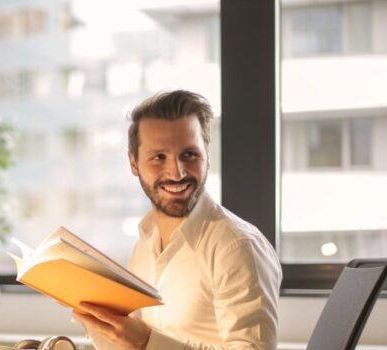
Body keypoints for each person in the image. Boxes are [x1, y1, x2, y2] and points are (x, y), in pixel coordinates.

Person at [72, 90, 282, 350]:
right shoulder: (145, 243)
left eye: (189, 155)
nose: (176, 172)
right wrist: (97, 318)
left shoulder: (237, 246)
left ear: (207, 154)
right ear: (134, 163)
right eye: (158, 157)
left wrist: (147, 342)